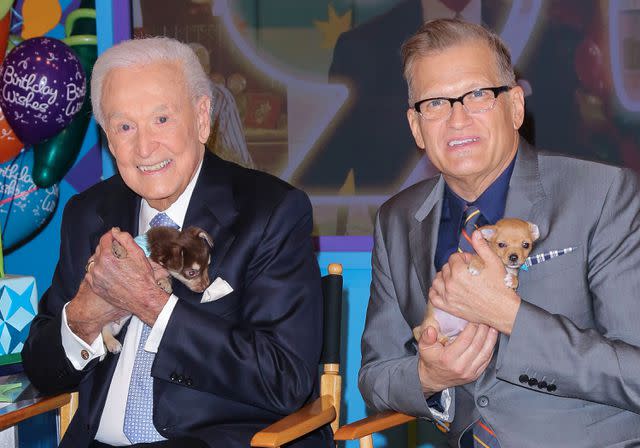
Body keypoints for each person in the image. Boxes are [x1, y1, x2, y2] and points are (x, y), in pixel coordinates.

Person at [22, 37, 331, 448]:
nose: (145, 147)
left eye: (162, 119)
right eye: (125, 127)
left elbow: (284, 379)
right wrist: (83, 319)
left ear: (202, 118)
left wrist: (151, 305)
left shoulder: (270, 211)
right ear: (110, 141)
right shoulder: (88, 213)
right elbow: (41, 370)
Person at [359, 18, 640, 447]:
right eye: (435, 103)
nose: (456, 119)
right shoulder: (397, 219)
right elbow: (376, 378)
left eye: (477, 95)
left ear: (515, 107)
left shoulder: (601, 194)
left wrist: (509, 317)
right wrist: (429, 376)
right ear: (416, 127)